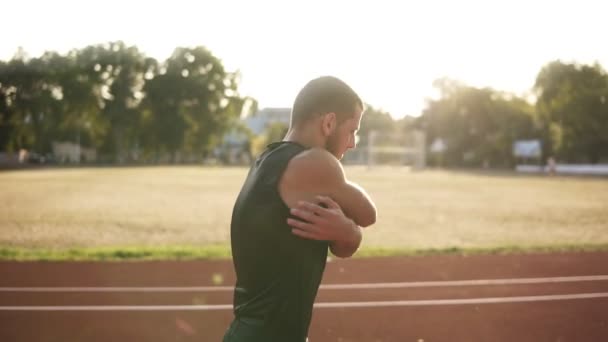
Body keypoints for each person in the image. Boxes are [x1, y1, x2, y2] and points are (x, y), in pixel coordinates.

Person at [223, 76, 377, 341]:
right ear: (329, 123)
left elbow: (342, 247)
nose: (352, 143)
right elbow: (368, 215)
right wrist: (353, 231)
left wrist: (348, 234)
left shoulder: (268, 160)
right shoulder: (315, 163)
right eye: (352, 130)